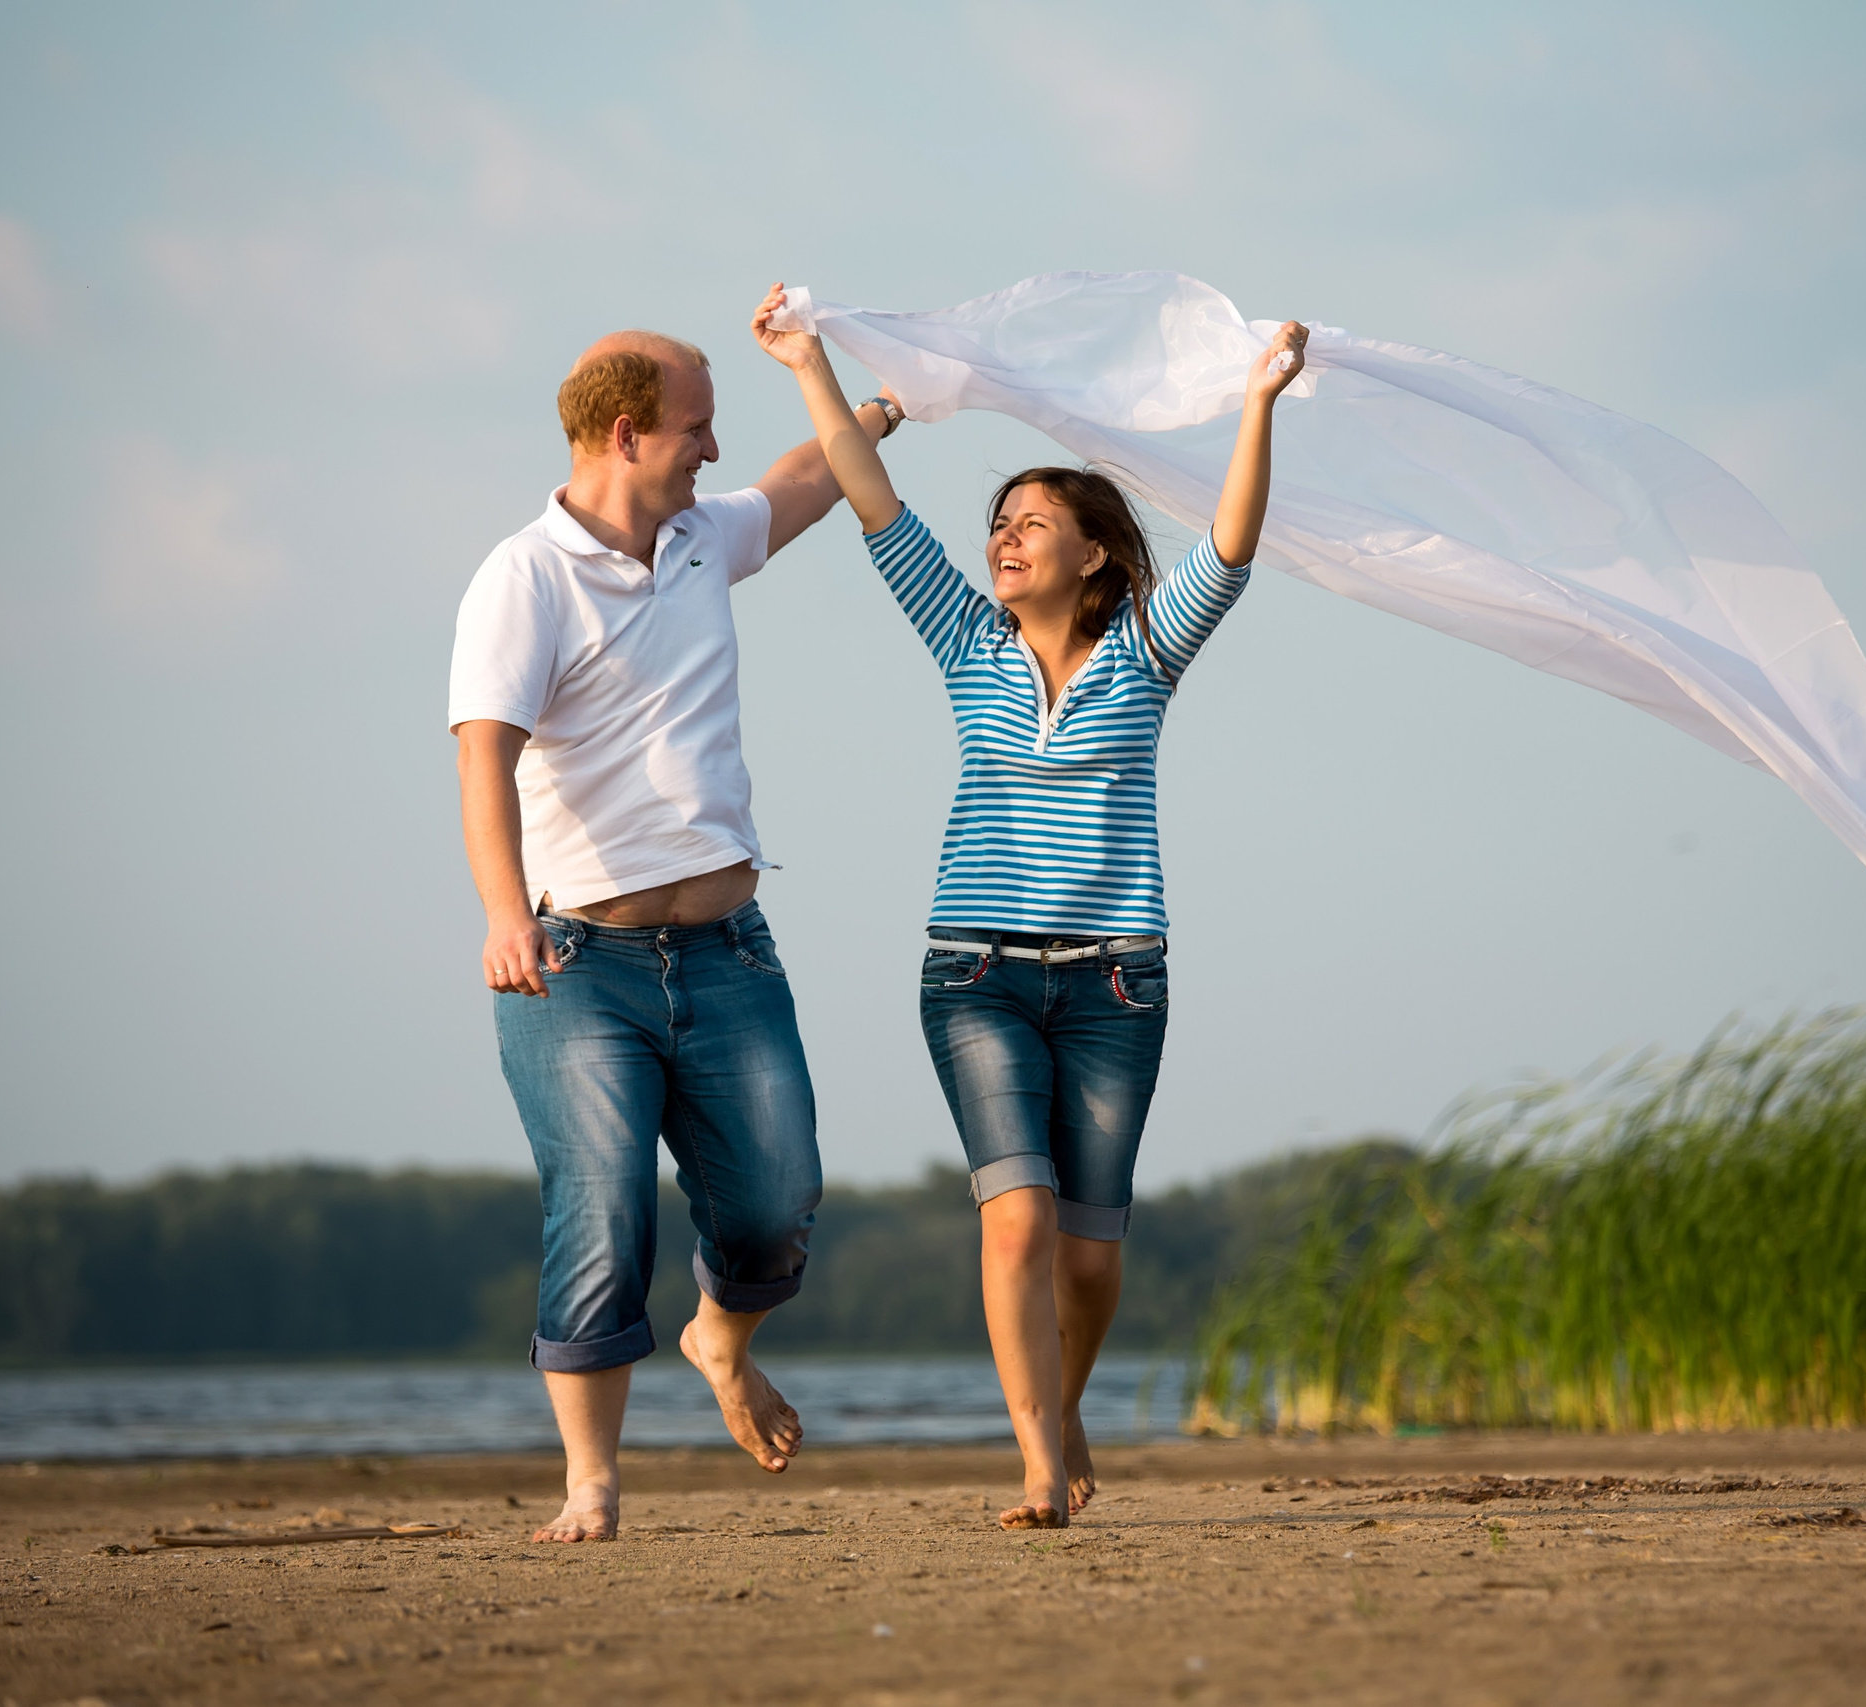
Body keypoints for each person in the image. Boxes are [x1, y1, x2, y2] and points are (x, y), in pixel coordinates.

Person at [752, 282, 1308, 1528]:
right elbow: (863, 485)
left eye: (1033, 522)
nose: (1003, 538)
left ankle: (1065, 1402)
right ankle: (1039, 1465)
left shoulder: (1149, 655)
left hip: (1116, 982)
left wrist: (1258, 404)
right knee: (1016, 1225)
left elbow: (1229, 543)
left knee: (1093, 1254)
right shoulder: (964, 641)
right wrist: (805, 364)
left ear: (1095, 551)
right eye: (997, 521)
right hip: (977, 978)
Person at [448, 328, 899, 1542]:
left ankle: (719, 1337)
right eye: (697, 425)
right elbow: (481, 755)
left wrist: (897, 399)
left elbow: (806, 479)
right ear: (624, 434)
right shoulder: (524, 576)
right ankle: (591, 1481)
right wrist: (502, 914)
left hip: (729, 949)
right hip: (577, 965)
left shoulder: (704, 540)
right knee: (601, 1214)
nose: (714, 447)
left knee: (776, 1202)